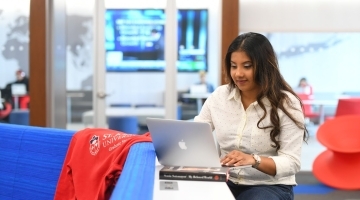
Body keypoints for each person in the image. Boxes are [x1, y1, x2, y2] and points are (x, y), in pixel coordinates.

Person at [194, 32, 308, 200]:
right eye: (233, 66)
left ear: (264, 66)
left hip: (269, 185)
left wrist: (254, 160)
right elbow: (196, 132)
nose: (238, 73)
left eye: (247, 66)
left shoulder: (287, 103)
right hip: (225, 179)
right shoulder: (219, 96)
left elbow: (292, 162)